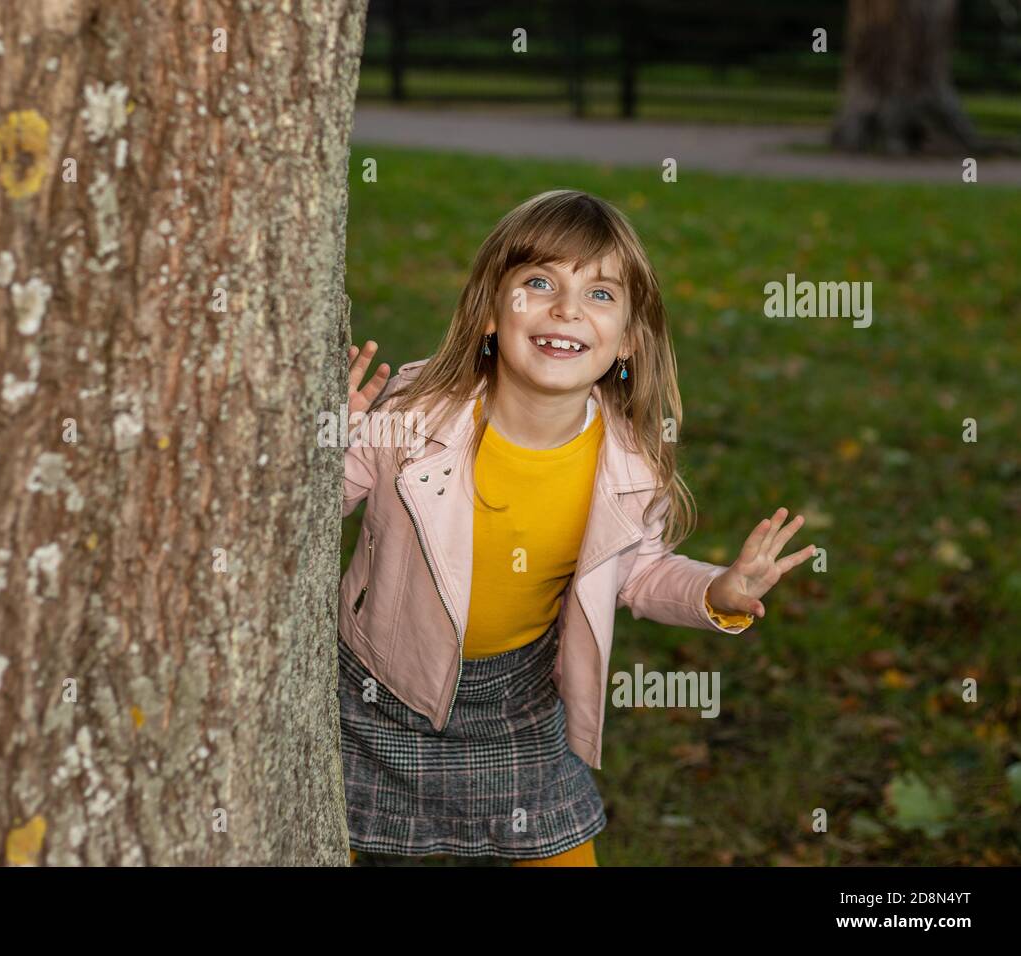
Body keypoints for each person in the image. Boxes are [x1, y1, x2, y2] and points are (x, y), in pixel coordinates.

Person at [339, 190, 814, 867]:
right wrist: (330, 438)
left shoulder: (628, 466)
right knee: (338, 839)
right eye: (539, 283)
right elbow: (313, 509)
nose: (566, 309)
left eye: (599, 294)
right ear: (488, 314)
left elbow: (640, 572)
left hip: (516, 701)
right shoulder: (414, 416)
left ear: (627, 340)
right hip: (376, 688)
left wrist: (719, 593)